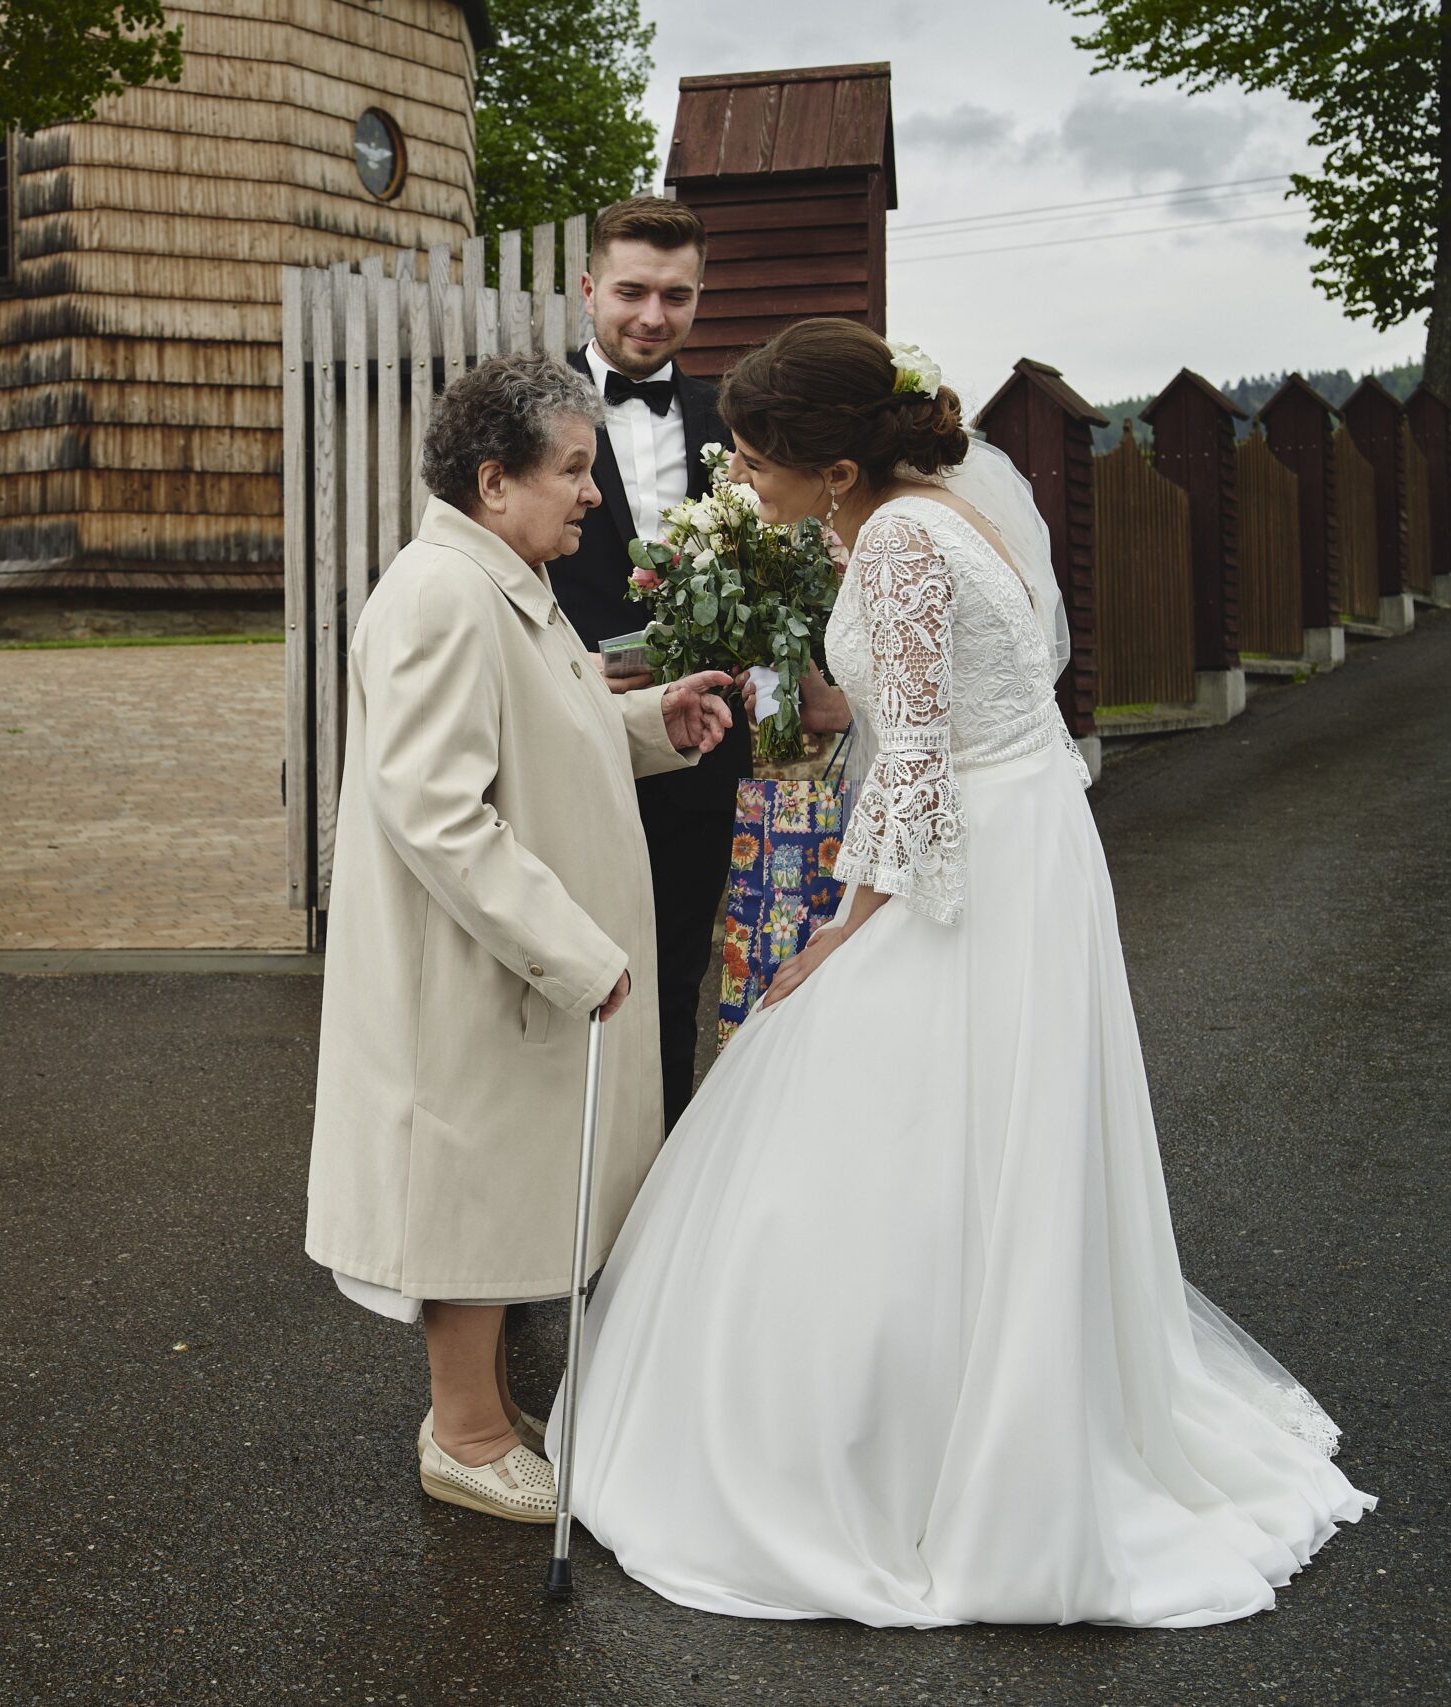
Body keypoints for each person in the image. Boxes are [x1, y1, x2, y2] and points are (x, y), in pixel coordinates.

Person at [555, 318, 1374, 1626]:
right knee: (989, 1124)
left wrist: (844, 927)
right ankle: (994, 1387)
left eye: (757, 459)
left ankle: (907, 1440)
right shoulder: (942, 509)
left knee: (878, 1100)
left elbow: (921, 758)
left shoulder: (894, 539)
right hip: (1023, 831)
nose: (742, 478)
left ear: (835, 467)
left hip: (969, 854)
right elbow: (980, 693)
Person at [304, 353, 732, 1524]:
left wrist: (649, 722)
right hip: (472, 963)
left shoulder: (504, 579)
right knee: (472, 1192)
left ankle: (487, 1412)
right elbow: (436, 810)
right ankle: (465, 1435)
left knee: (501, 1185)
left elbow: (544, 726)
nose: (592, 493)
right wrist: (571, 951)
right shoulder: (442, 597)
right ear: (494, 482)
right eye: (572, 471)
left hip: (504, 961)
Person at [542, 197, 749, 1126]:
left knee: (672, 980)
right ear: (589, 289)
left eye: (677, 295)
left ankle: (656, 1192)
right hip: (569, 741)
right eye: (632, 292)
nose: (654, 317)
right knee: (563, 979)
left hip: (697, 753)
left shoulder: (731, 420)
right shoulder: (525, 410)